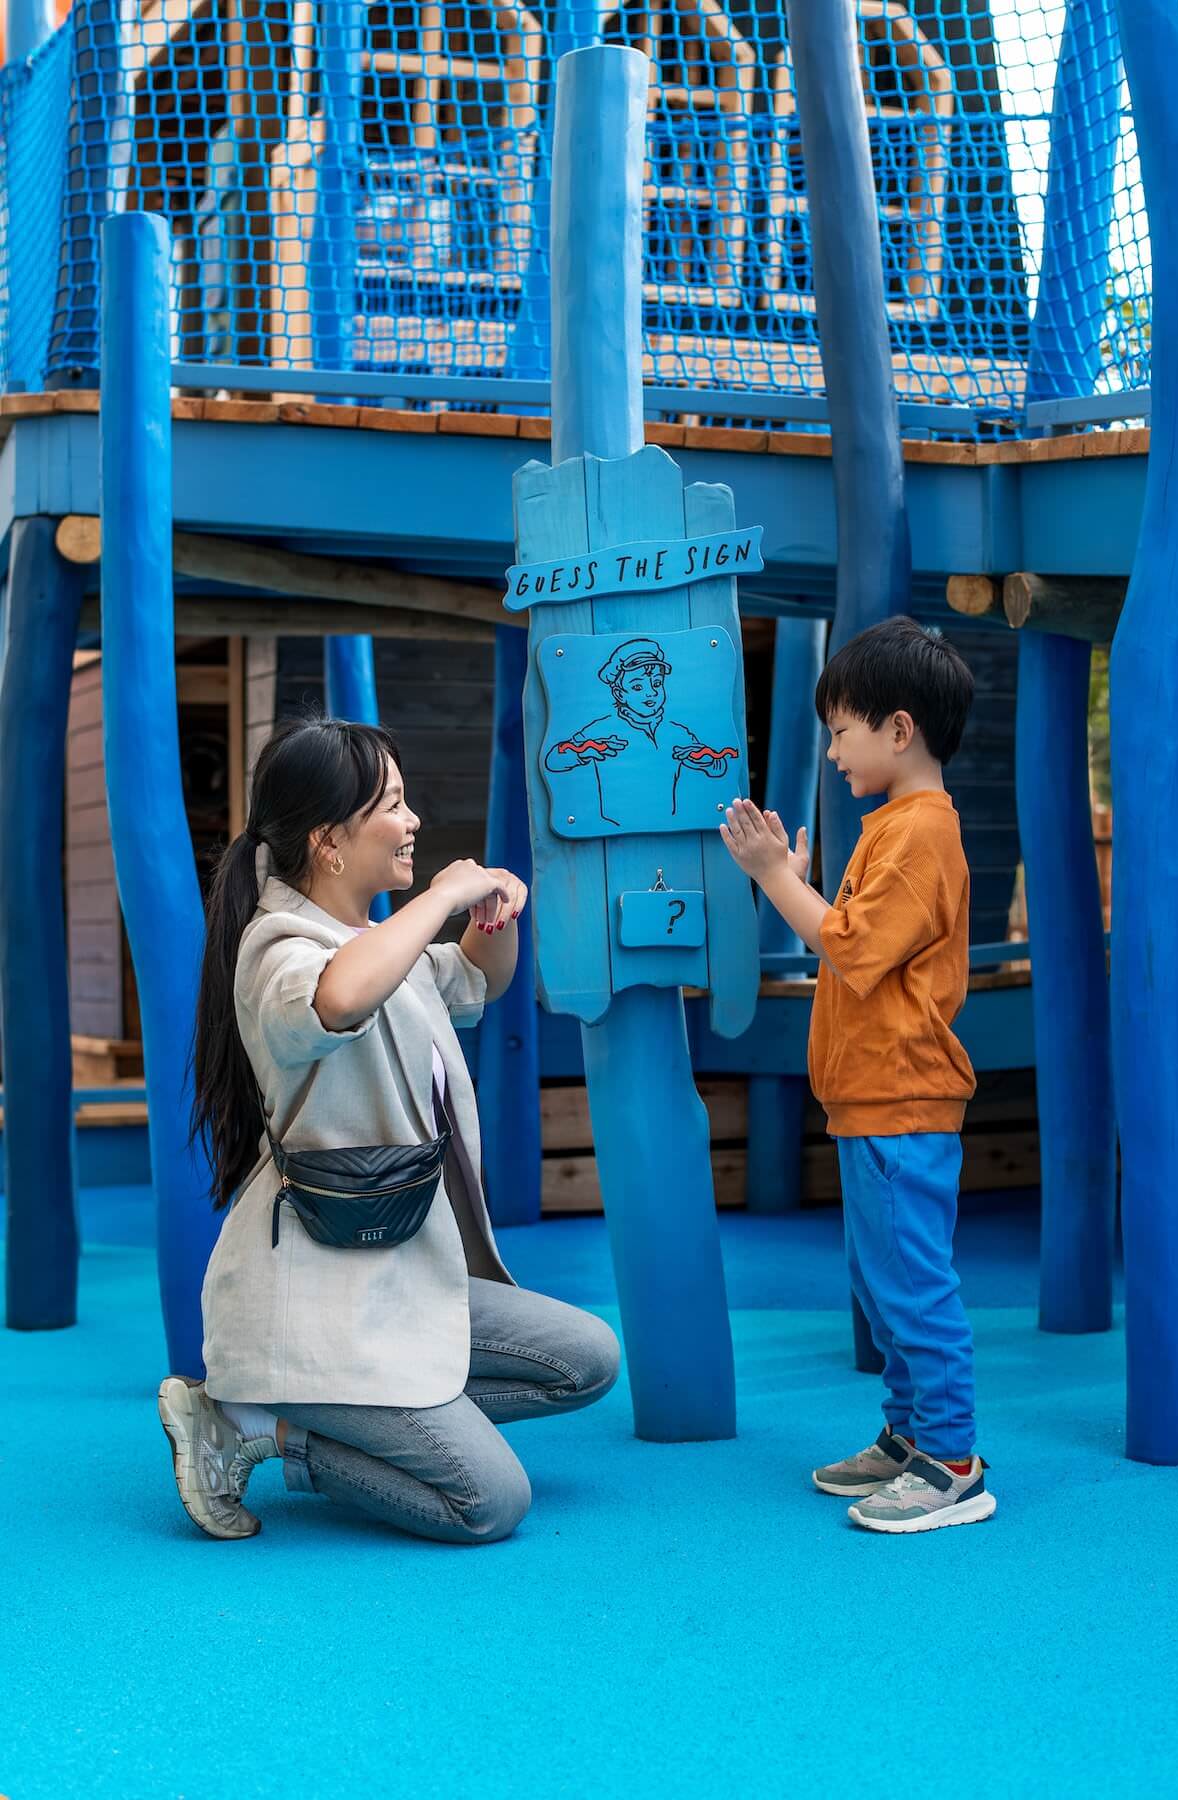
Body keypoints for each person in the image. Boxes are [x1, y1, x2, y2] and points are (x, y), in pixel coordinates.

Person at [158, 716, 619, 1544]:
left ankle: (364, 1416)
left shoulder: (370, 939)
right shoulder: (278, 951)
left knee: (586, 1359)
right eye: (394, 805)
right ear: (330, 841)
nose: (412, 823)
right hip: (315, 1303)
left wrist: (489, 922)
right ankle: (262, 1429)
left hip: (400, 1273)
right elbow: (338, 1000)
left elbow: (474, 981)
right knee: (489, 1503)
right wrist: (442, 895)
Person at [720, 617, 994, 1534]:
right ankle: (912, 1434)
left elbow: (854, 948)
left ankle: (952, 1460)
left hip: (904, 1099)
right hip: (872, 1099)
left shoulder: (920, 834)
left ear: (899, 730)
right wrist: (796, 877)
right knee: (883, 1285)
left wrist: (773, 878)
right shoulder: (894, 829)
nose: (832, 749)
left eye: (842, 730)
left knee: (912, 1282)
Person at [545, 637, 733, 828]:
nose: (651, 692)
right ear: (619, 694)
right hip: (612, 833)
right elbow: (553, 761)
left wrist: (707, 761)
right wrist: (582, 752)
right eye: (637, 687)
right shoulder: (603, 730)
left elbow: (720, 768)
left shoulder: (677, 732)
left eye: (657, 683)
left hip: (670, 828)